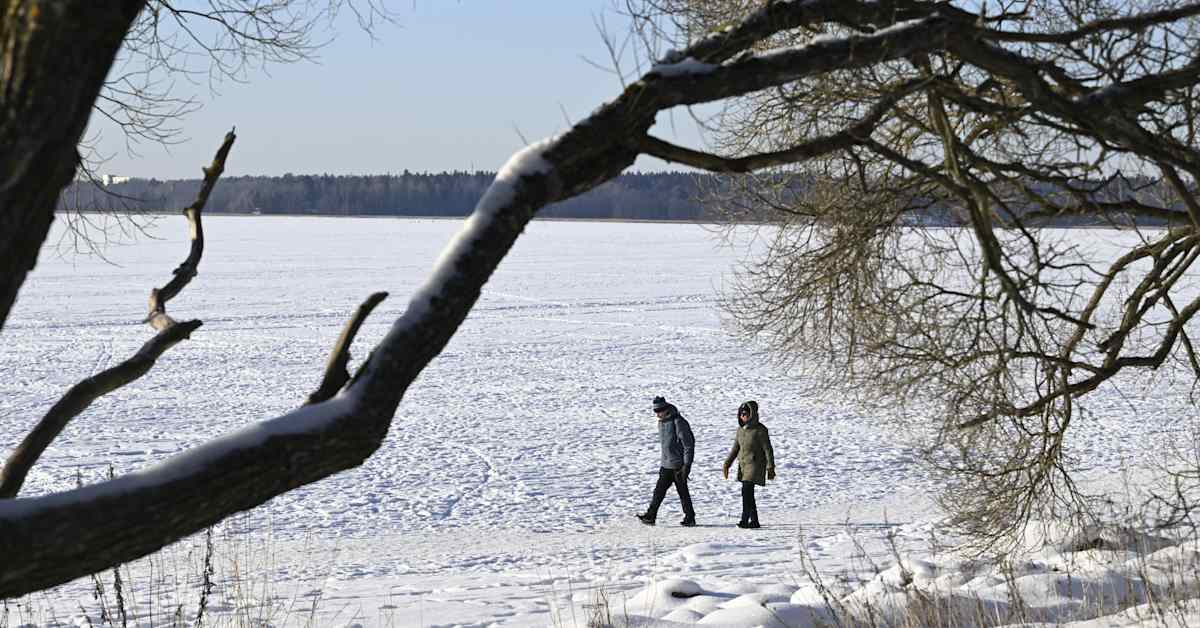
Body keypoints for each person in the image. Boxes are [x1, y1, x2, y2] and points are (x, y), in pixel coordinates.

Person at [637, 395, 696, 527]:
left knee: (682, 492)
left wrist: (687, 465)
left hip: (678, 466)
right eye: (655, 412)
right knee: (658, 492)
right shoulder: (661, 423)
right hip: (665, 464)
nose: (657, 414)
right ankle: (650, 516)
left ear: (666, 409)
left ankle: (690, 517)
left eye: (659, 411)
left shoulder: (678, 422)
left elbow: (688, 444)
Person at [723, 400, 775, 529]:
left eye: (745, 413)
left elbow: (768, 449)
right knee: (748, 493)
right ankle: (754, 520)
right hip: (744, 465)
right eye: (741, 414)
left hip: (755, 464)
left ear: (752, 414)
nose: (743, 416)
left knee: (746, 490)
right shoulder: (740, 430)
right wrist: (727, 464)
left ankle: (744, 520)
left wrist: (770, 467)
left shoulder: (760, 430)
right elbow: (735, 449)